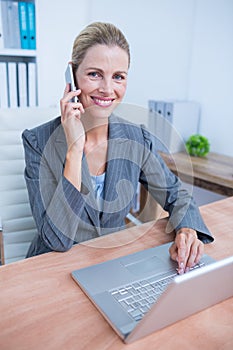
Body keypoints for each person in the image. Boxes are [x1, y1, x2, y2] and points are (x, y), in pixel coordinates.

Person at [22, 22, 213, 274]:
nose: (107, 89)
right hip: (52, 270)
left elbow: (176, 194)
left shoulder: (136, 138)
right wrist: (74, 148)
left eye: (118, 77)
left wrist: (187, 228)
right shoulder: (38, 142)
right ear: (72, 75)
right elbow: (56, 240)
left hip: (109, 265)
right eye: (94, 74)